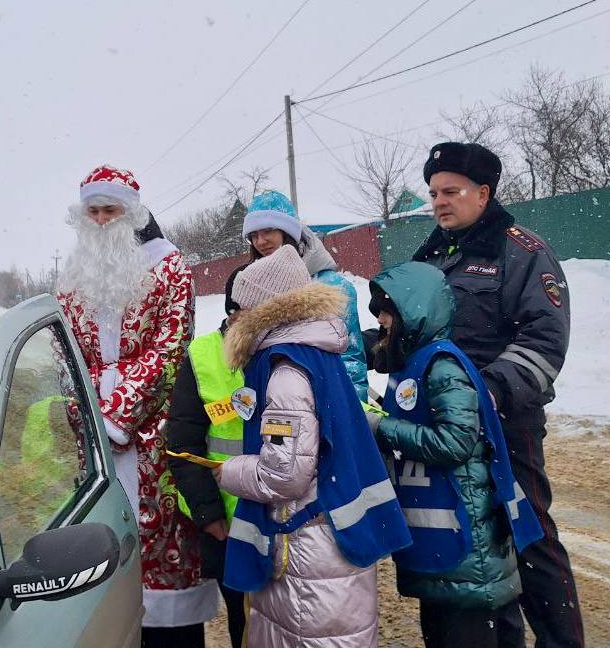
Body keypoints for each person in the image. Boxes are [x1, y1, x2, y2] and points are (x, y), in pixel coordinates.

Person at [377, 141, 583, 648]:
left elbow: (544, 340)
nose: (439, 201)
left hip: (504, 423)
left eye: (451, 191)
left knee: (527, 532)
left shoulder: (522, 252)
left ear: (483, 192)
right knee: (471, 541)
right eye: (432, 193)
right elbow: (407, 334)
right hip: (441, 426)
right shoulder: (430, 256)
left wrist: (486, 394)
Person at [217, 245, 411, 648]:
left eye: (240, 308)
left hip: (307, 550)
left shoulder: (285, 372)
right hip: (330, 536)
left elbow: (285, 474)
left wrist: (228, 472)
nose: (233, 318)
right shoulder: (318, 354)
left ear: (261, 310)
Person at [56, 165, 216, 648]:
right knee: (105, 553)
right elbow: (66, 353)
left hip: (153, 437)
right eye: (94, 210)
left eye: (112, 209)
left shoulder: (170, 268)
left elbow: (169, 350)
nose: (103, 219)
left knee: (165, 558)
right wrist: (84, 412)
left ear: (132, 213)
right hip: (96, 446)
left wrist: (117, 414)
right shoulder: (72, 275)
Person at [364, 261, 543, 648]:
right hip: (449, 554)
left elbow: (455, 442)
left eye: (386, 311)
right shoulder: (413, 364)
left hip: (469, 554)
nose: (380, 320)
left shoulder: (442, 365)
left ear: (415, 312)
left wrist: (380, 428)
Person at [167, 266, 248, 648]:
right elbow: (183, 445)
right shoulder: (202, 356)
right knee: (244, 619)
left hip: (286, 520)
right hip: (230, 524)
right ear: (231, 310)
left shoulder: (283, 348)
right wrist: (210, 516)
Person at [241, 190, 369, 402]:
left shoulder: (331, 287)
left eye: (267, 231)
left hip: (325, 402)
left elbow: (350, 357)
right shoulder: (254, 289)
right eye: (253, 236)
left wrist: (352, 414)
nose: (260, 241)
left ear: (288, 231)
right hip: (274, 405)